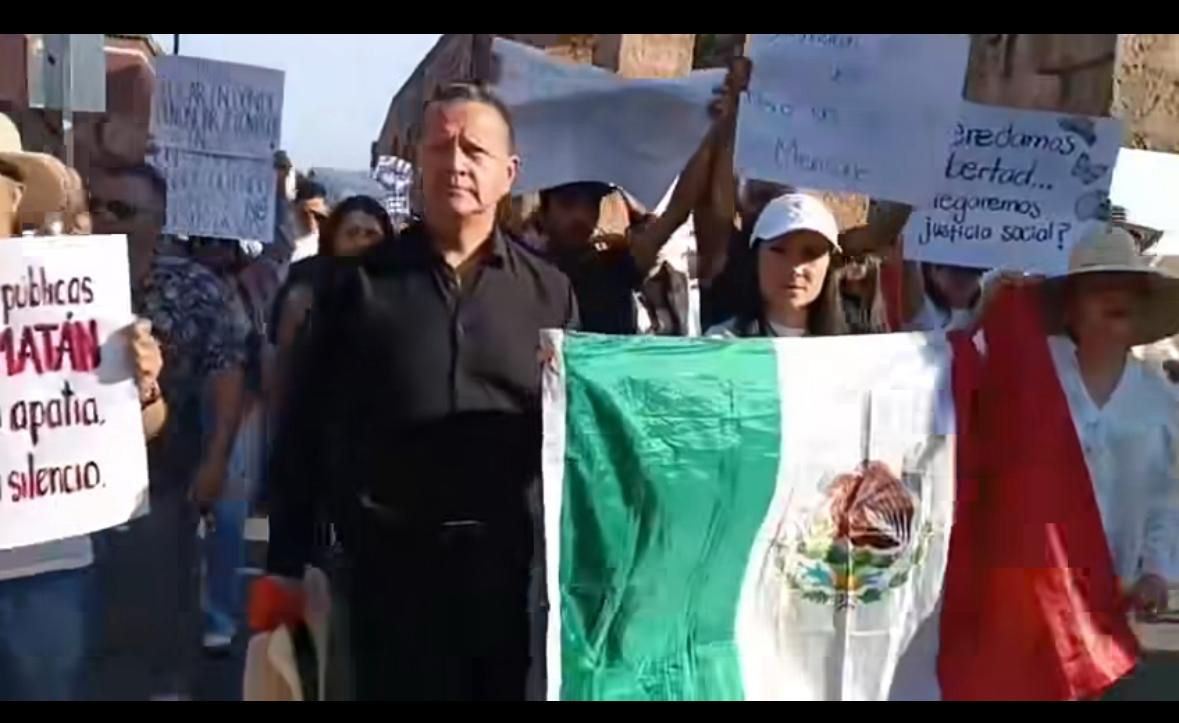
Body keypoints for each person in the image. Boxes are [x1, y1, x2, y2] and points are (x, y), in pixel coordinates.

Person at [267, 81, 578, 701]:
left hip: (503, 582)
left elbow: (575, 440)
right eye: (440, 147)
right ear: (417, 162)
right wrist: (281, 574)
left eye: (473, 150)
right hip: (387, 580)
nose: (455, 163)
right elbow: (302, 429)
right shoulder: (357, 289)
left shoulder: (549, 295)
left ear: (509, 172)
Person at [0, 113, 165, 702]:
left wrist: (141, 385)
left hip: (40, 573)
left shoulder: (66, 291)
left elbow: (142, 426)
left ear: (15, 194)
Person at [89, 162, 248, 701]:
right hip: (63, 486)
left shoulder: (195, 289)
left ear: (157, 223)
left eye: (122, 210)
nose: (103, 218)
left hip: (158, 479)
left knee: (160, 610)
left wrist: (217, 461)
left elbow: (227, 372)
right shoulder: (49, 282)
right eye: (96, 205)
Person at [268, 195, 393, 415]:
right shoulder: (306, 280)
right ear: (334, 237)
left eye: (371, 234)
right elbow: (281, 361)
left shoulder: (401, 286)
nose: (362, 242)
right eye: (352, 233)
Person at [706, 192, 847, 338]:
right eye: (779, 251)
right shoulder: (722, 345)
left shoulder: (855, 349)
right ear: (756, 257)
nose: (796, 269)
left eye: (811, 253)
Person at [290, 177, 330, 263]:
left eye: (317, 215)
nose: (312, 220)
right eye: (305, 214)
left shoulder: (326, 241)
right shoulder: (278, 239)